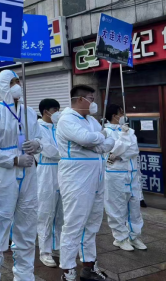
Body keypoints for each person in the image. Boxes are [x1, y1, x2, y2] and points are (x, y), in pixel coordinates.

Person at [0, 70, 47, 281]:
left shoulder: (29, 113)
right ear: (3, 86)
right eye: (12, 82)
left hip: (29, 174)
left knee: (27, 227)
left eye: (19, 81)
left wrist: (37, 144)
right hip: (4, 176)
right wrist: (14, 159)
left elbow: (40, 138)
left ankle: (25, 275)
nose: (17, 85)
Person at [56, 85, 115, 281]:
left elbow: (109, 143)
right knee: (74, 223)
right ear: (80, 99)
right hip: (76, 176)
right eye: (91, 98)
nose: (94, 102)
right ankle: (68, 270)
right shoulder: (67, 119)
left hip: (96, 174)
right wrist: (101, 138)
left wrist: (99, 141)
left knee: (93, 222)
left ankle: (89, 266)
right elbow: (86, 139)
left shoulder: (91, 120)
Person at [103, 104, 146, 252]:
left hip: (132, 172)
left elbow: (134, 150)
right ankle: (120, 238)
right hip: (115, 173)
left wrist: (120, 155)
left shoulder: (129, 130)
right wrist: (121, 146)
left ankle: (134, 236)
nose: (123, 116)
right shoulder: (106, 132)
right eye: (121, 113)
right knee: (116, 206)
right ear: (114, 116)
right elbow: (110, 152)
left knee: (134, 206)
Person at [37, 98, 64, 268]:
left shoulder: (59, 127)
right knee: (46, 212)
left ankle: (57, 245)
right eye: (55, 110)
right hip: (46, 171)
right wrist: (67, 153)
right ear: (46, 111)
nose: (58, 113)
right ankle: (45, 251)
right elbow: (48, 150)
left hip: (63, 170)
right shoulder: (37, 128)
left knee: (61, 212)